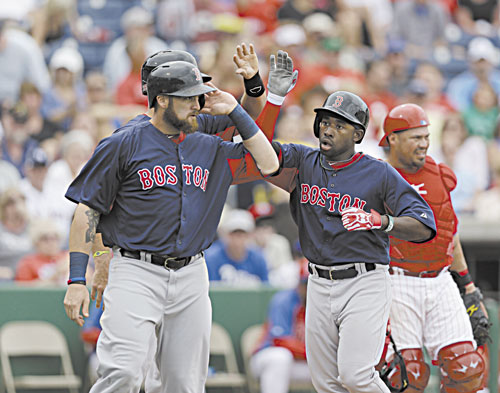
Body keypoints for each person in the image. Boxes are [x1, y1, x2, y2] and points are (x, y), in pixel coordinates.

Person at [62, 58, 281, 393]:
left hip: (192, 272)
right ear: (160, 98)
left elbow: (262, 150)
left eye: (199, 95)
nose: (198, 103)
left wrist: (248, 92)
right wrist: (79, 277)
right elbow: (87, 211)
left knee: (185, 384)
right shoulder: (123, 142)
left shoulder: (205, 139)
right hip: (136, 269)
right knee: (123, 373)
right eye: (189, 96)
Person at [265, 90, 436, 393]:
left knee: (356, 376)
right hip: (317, 281)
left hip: (363, 280)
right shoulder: (304, 161)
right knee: (326, 383)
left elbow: (424, 223)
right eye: (325, 121)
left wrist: (382, 221)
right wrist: (272, 97)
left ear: (358, 134)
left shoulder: (378, 173)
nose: (328, 129)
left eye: (340, 125)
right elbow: (260, 152)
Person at [380, 103, 490, 393]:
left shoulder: (441, 175)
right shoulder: (373, 177)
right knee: (406, 375)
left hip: (441, 280)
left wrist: (467, 285)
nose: (424, 143)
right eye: (416, 137)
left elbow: (449, 236)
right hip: (396, 280)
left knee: (466, 369)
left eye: (426, 136)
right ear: (393, 139)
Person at [250, 259, 311, 393]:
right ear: (298, 284)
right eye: (305, 283)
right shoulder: (284, 300)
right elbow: (280, 341)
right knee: (280, 358)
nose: (308, 288)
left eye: (312, 283)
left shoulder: (325, 304)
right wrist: (313, 353)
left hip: (303, 364)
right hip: (268, 357)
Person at [205, 208, 269, 286]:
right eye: (234, 234)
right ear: (225, 235)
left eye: (243, 235)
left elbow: (265, 289)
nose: (238, 240)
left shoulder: (259, 258)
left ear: (250, 236)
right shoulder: (211, 258)